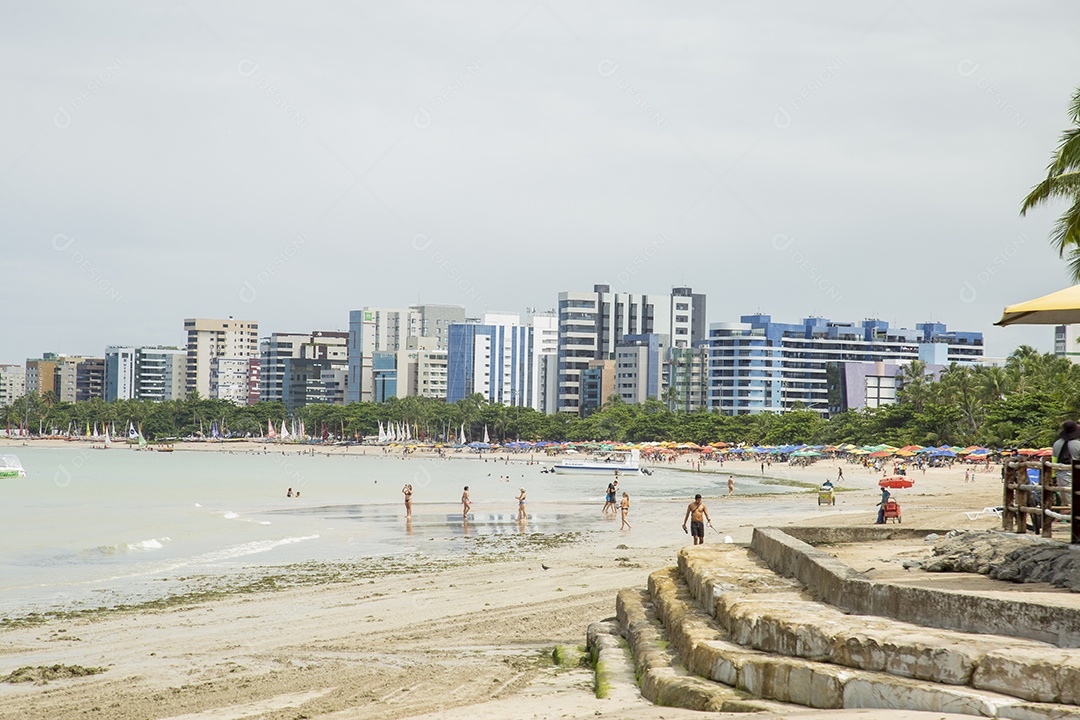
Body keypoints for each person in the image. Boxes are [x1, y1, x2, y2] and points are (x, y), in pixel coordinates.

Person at [1052, 420, 1080, 507]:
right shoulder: (1078, 444)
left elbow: (1053, 461)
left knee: (1068, 504)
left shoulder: (1056, 444)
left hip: (1061, 476)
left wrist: (1053, 477)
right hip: (1076, 475)